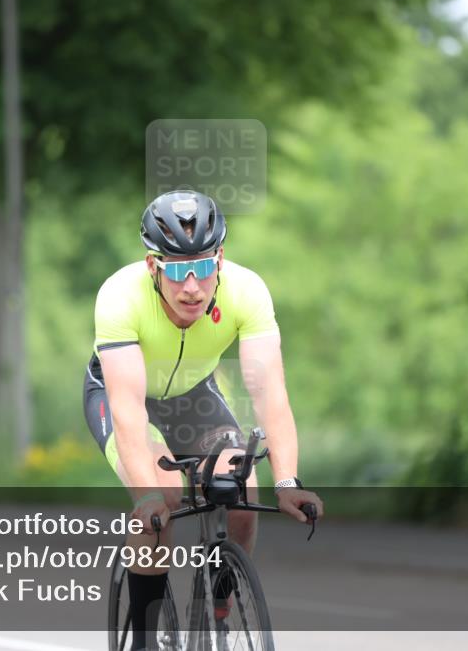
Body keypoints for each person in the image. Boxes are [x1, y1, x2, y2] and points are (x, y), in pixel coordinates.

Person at [83, 190, 323, 650]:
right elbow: (129, 409)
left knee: (242, 487)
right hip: (121, 396)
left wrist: (289, 479)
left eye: (203, 266)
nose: (191, 285)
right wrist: (149, 495)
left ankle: (220, 608)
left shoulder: (247, 291)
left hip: (193, 394)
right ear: (153, 267)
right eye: (175, 269)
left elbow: (270, 391)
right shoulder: (119, 295)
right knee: (164, 503)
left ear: (221, 259)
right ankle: (146, 640)